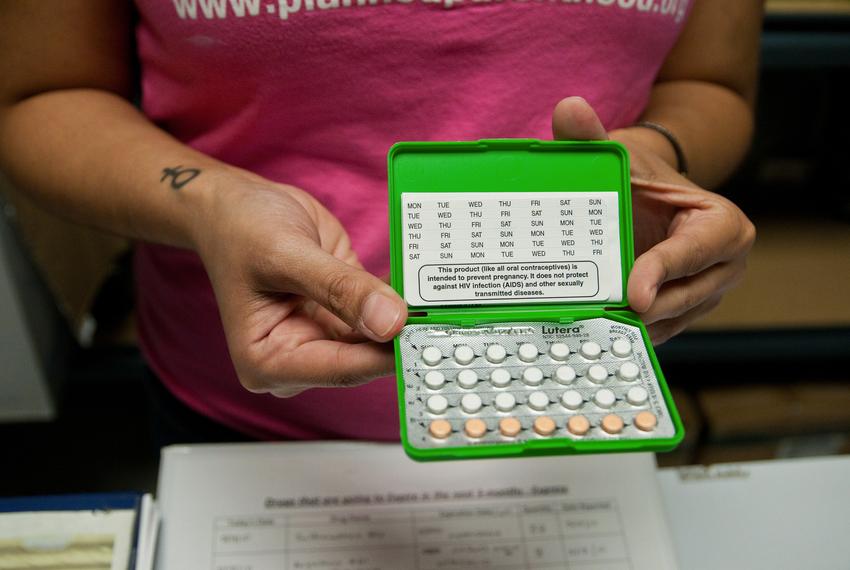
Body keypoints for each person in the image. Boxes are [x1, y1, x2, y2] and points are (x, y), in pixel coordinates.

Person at [0, 0, 758, 443]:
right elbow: (41, 95)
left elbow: (713, 82)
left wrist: (652, 158)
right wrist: (209, 201)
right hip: (248, 405)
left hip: (582, 386)